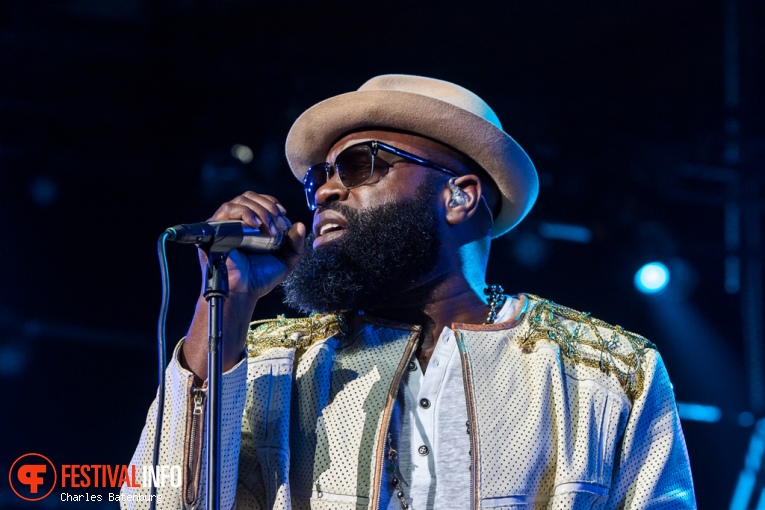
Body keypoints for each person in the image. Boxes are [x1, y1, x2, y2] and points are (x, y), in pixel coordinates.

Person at [123, 74, 696, 509]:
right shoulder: (275, 360)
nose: (325, 191)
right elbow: (157, 501)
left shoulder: (604, 372)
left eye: (359, 165)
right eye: (317, 176)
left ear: (460, 196)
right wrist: (223, 307)